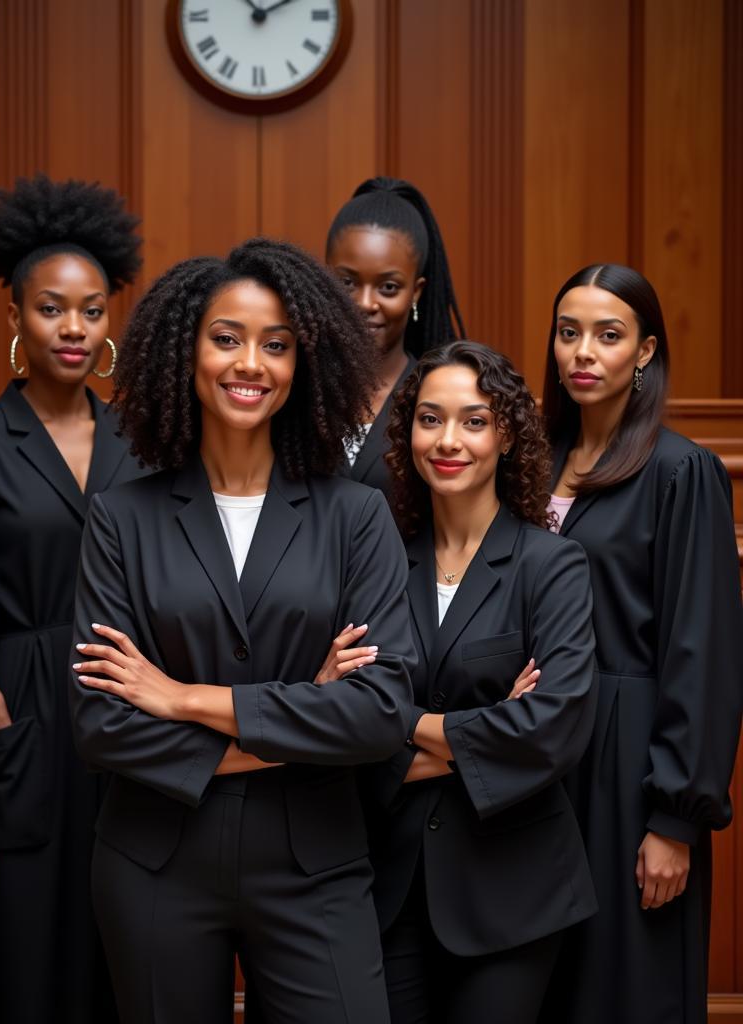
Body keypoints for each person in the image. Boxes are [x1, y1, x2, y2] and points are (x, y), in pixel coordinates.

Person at [68, 238, 418, 1023]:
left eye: (277, 344)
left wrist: (185, 698)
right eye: (226, 338)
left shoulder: (355, 516)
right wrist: (300, 714)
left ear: (306, 364)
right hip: (154, 863)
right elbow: (100, 724)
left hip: (315, 865)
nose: (250, 363)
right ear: (183, 350)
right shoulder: (122, 516)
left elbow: (381, 711)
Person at [323, 341, 597, 1023]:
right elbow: (339, 727)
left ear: (507, 436)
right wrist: (483, 730)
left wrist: (403, 721)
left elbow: (553, 727)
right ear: (407, 431)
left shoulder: (552, 566)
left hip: (513, 891)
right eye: (430, 418)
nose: (449, 441)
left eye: (474, 421)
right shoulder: (376, 562)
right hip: (385, 884)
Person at [0, 173, 144, 1023]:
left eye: (93, 309)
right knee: (23, 952)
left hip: (127, 706)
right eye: (52, 308)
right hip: (23, 707)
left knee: (124, 940)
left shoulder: (140, 442)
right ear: (15, 318)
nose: (74, 328)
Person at [538, 264, 743, 1024]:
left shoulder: (680, 471)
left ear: (646, 351)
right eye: (568, 333)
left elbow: (704, 651)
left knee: (628, 988)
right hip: (541, 753)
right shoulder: (534, 461)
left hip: (631, 764)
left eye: (608, 334)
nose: (582, 352)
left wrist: (675, 819)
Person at [326, 177, 465, 501]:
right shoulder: (295, 390)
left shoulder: (435, 396)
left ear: (415, 291)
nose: (365, 303)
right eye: (347, 282)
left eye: (388, 287)